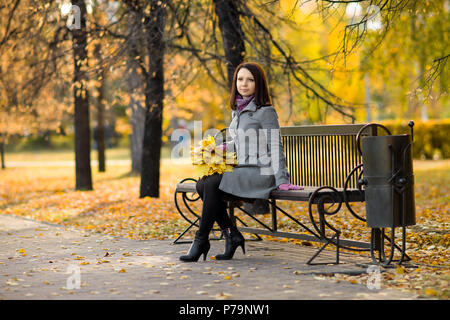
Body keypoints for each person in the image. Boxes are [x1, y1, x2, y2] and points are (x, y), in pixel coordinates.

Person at [179, 62, 303, 262]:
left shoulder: (265, 111)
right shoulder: (237, 110)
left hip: (261, 172)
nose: (244, 84)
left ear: (258, 83)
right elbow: (239, 142)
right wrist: (218, 148)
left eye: (250, 80)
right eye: (240, 79)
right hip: (243, 170)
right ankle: (232, 235)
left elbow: (275, 146)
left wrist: (282, 179)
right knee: (203, 183)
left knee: (210, 184)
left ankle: (201, 240)